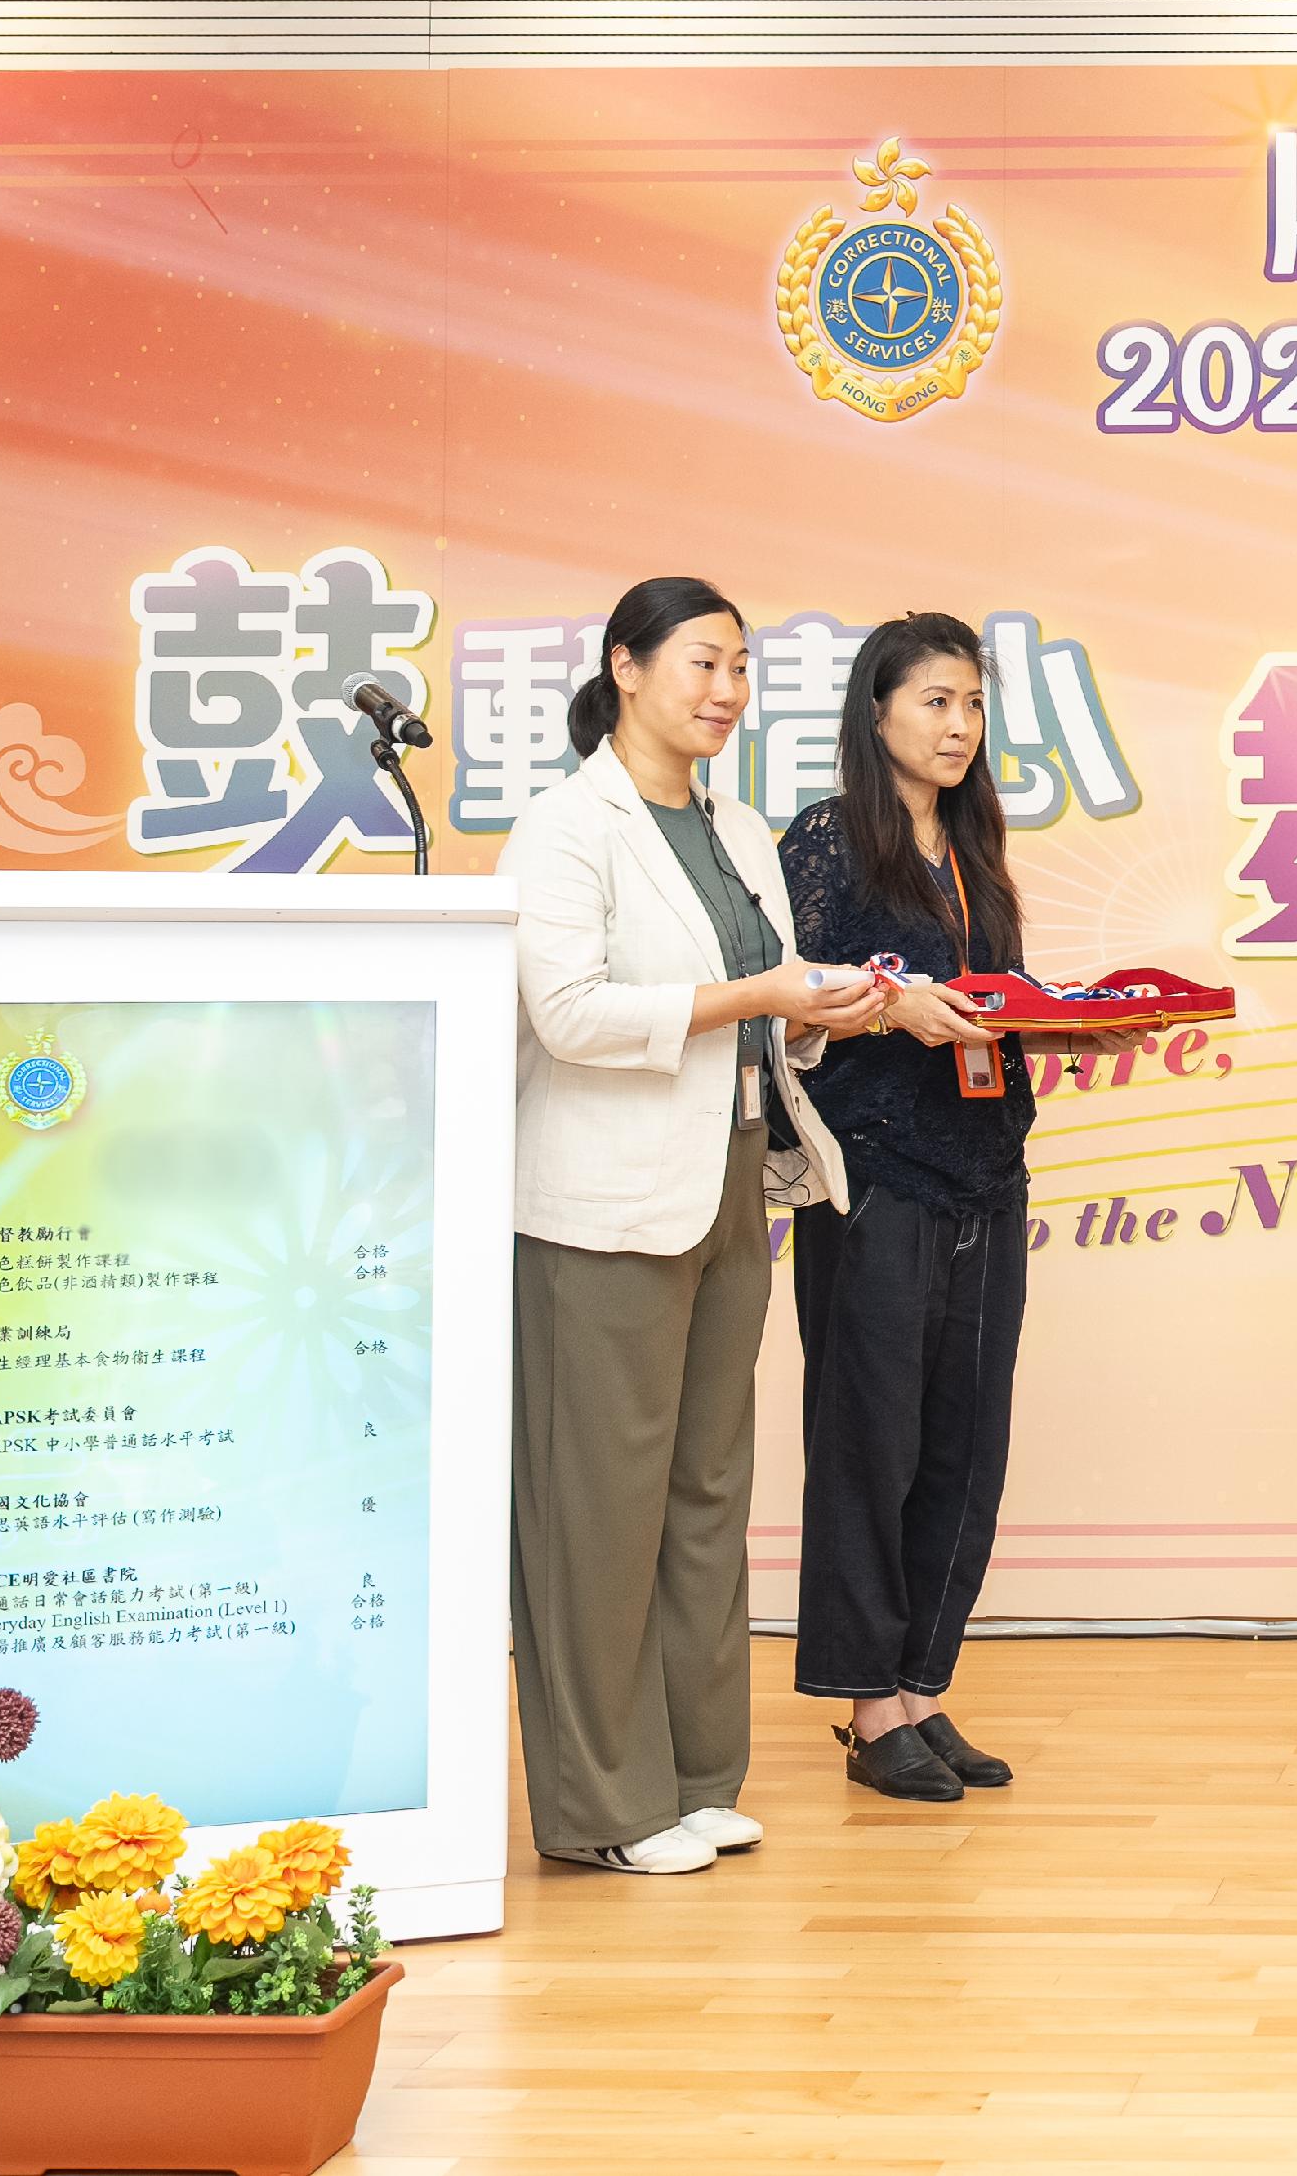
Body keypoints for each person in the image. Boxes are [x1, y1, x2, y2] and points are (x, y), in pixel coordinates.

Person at [504, 576, 888, 1875]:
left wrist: (825, 1008)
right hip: (600, 1202)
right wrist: (755, 990)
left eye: (738, 668)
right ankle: (605, 1807)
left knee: (705, 1489)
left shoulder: (735, 824)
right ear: (626, 666)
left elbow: (760, 1005)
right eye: (699, 663)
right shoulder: (569, 826)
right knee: (598, 1505)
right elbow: (569, 1011)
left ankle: (691, 1773)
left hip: (727, 1172)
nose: (723, 690)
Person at [779, 614, 1155, 1804]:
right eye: (934, 702)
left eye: (973, 706)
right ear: (876, 712)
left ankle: (921, 1686)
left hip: (988, 1169)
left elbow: (993, 998)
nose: (958, 726)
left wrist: (1070, 1024)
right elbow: (795, 1005)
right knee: (869, 1445)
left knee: (965, 1444)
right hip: (878, 1175)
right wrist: (892, 1010)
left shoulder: (975, 840)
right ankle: (863, 1701)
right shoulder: (831, 841)